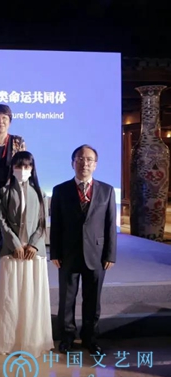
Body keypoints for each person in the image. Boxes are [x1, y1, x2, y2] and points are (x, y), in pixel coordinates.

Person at [50, 145, 117, 355]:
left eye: (89, 160)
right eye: (80, 159)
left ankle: (90, 337)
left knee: (93, 299)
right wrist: (55, 253)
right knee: (67, 299)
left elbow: (110, 225)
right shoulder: (60, 190)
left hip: (97, 254)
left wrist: (110, 254)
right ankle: (67, 336)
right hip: (68, 253)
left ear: (95, 165)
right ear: (73, 163)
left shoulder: (107, 190)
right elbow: (56, 224)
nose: (84, 163)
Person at [0, 151, 53, 357]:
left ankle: (32, 341)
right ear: (12, 168)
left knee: (32, 298)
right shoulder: (4, 192)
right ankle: (10, 341)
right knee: (10, 298)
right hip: (11, 252)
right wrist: (15, 243)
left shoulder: (40, 193)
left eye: (26, 166)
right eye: (19, 166)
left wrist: (33, 245)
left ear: (32, 168)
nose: (22, 170)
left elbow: (42, 222)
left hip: (33, 254)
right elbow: (1, 221)